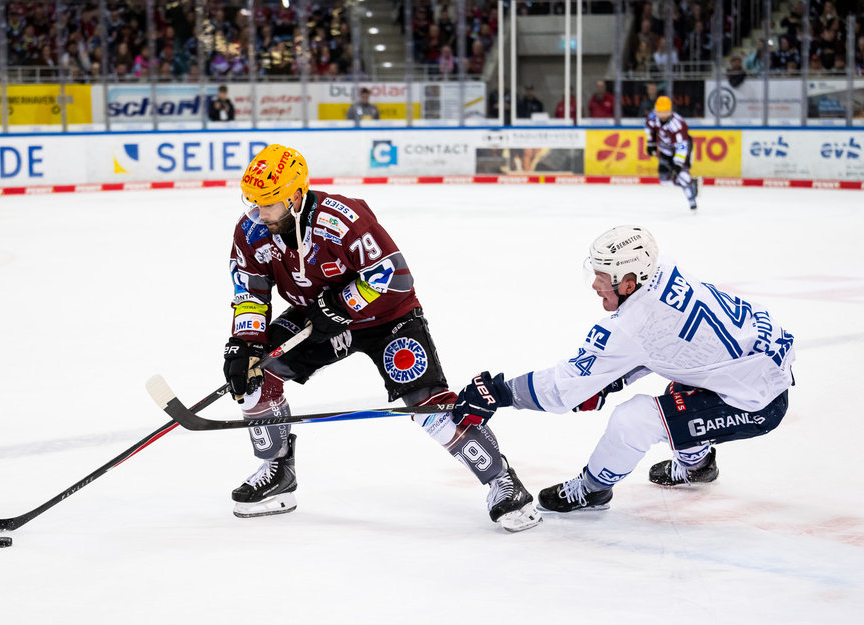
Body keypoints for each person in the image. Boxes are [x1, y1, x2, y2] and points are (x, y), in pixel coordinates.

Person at [222, 144, 540, 531]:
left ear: (296, 195)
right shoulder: (252, 229)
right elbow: (251, 289)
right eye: (252, 203)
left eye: (267, 204)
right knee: (257, 375)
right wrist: (245, 342)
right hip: (316, 318)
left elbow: (394, 274)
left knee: (429, 407)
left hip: (387, 318)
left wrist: (340, 305)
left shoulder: (341, 218)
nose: (257, 213)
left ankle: (502, 482)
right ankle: (277, 471)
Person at [451, 225, 795, 513]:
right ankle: (699, 466)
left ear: (628, 282)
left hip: (757, 404)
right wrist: (609, 381)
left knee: (635, 420)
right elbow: (667, 349)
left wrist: (498, 393)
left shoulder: (635, 324)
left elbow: (562, 387)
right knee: (678, 394)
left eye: (602, 277)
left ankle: (593, 489)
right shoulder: (663, 271)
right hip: (754, 371)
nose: (594, 284)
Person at [645, 96, 698, 210]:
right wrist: (651, 143)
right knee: (664, 179)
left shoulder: (678, 125)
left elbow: (681, 147)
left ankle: (691, 198)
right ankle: (690, 182)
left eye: (665, 112)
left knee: (682, 175)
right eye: (660, 112)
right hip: (665, 149)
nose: (662, 115)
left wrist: (678, 164)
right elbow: (650, 130)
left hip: (681, 149)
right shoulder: (652, 118)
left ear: (670, 111)